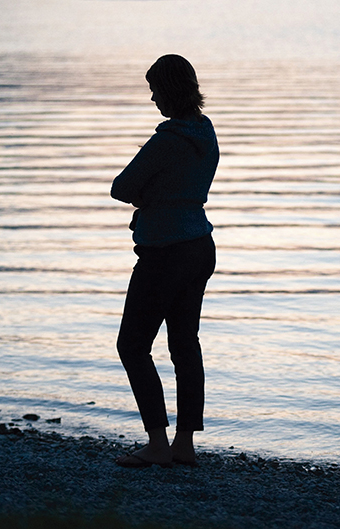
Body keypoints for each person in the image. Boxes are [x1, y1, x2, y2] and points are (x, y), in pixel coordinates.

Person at [111, 55, 218, 468]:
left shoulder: (166, 140)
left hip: (165, 251)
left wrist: (149, 193)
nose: (153, 98)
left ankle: (157, 443)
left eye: (155, 90)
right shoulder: (206, 133)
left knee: (133, 345)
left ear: (168, 91)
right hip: (199, 245)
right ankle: (184, 444)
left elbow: (122, 188)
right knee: (184, 344)